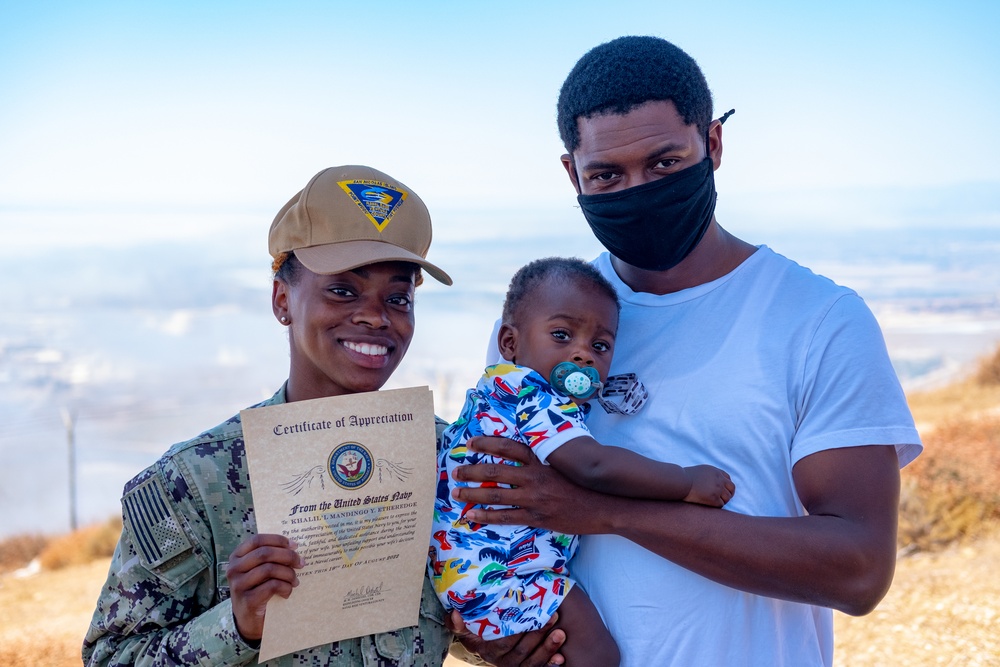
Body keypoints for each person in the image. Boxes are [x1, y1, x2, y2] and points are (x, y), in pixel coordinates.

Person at [447, 36, 923, 667]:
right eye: (607, 175)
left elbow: (858, 570)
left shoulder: (818, 320)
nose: (639, 191)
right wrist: (501, 644)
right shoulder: (546, 326)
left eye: (665, 163)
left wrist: (603, 511)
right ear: (572, 174)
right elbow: (490, 517)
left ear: (713, 146)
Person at [83, 165, 458, 666]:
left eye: (398, 297)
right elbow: (112, 657)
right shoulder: (192, 484)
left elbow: (477, 621)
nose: (376, 315)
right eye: (343, 290)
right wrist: (236, 626)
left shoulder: (448, 462)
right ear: (283, 299)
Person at [430, 257, 734, 666]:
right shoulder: (532, 394)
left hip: (467, 570)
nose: (583, 354)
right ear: (509, 343)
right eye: (561, 334)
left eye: (601, 346)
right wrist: (685, 483)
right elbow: (592, 465)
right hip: (505, 577)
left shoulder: (497, 388)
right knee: (599, 657)